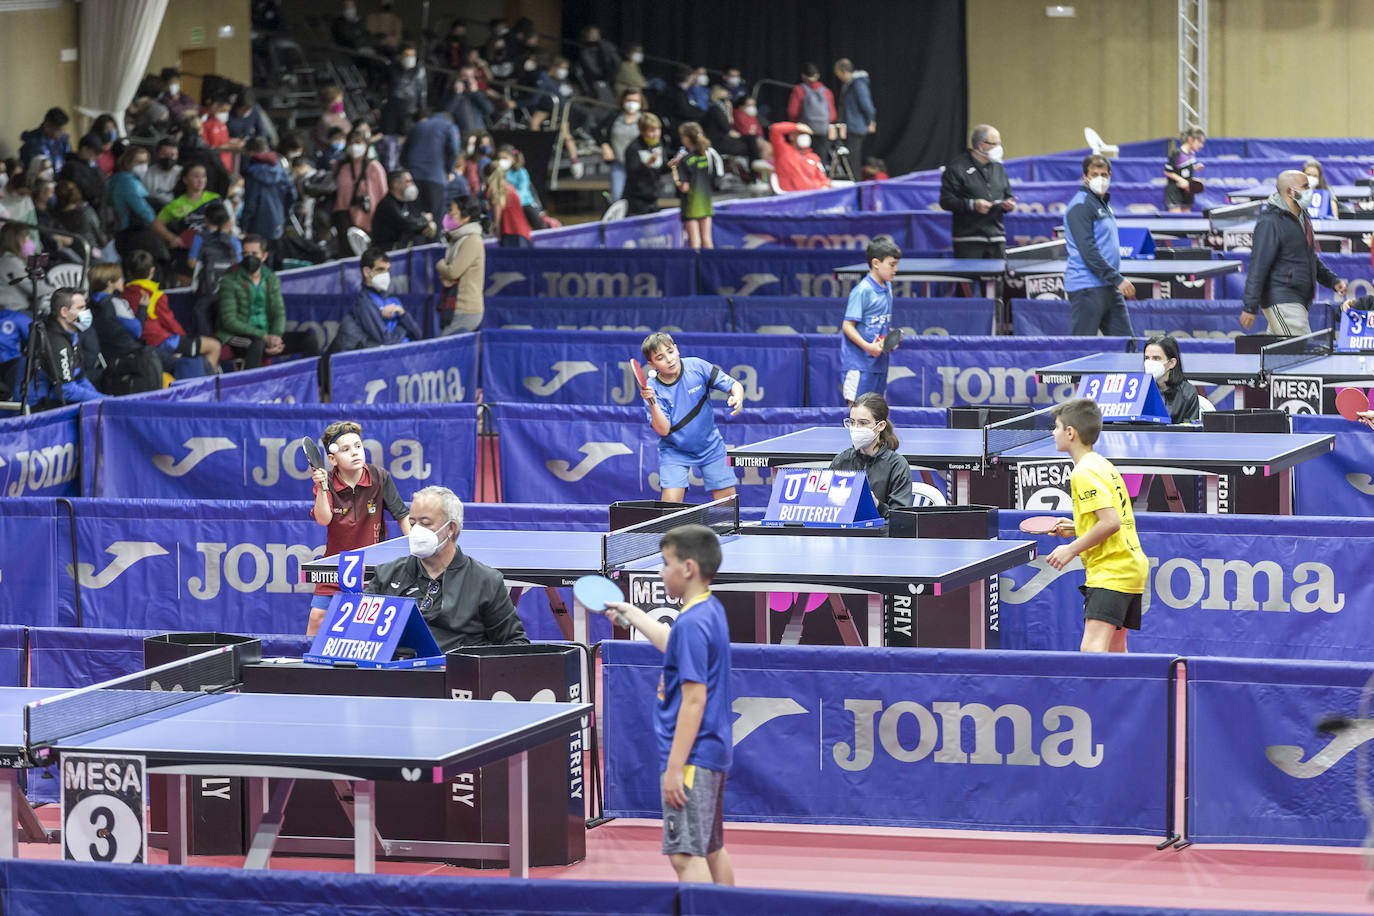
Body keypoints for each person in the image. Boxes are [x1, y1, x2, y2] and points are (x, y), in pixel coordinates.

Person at [596, 525, 734, 886]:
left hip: (691, 757)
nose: (660, 571)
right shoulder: (709, 608)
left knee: (685, 856)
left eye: (665, 563)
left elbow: (693, 700)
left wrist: (675, 768)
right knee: (710, 848)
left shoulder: (692, 623)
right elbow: (670, 642)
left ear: (687, 568)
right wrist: (633, 614)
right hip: (711, 751)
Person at [365, 486, 529, 650]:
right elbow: (357, 634)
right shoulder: (386, 575)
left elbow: (515, 645)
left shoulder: (486, 581)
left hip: (457, 672)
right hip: (398, 673)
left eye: (425, 523)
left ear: (451, 528)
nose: (416, 531)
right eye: (413, 523)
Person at [1044, 398, 1149, 653]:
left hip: (1111, 570)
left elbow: (1111, 523)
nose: (1053, 432)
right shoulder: (1102, 464)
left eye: (1057, 427)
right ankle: (1131, 694)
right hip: (1131, 567)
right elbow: (1115, 518)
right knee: (1115, 652)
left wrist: (1071, 549)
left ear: (1071, 433)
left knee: (1092, 654)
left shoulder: (1083, 473)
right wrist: (1076, 526)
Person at [304, 420, 412, 634]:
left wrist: (415, 547)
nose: (355, 453)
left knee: (370, 624)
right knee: (317, 618)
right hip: (338, 565)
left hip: (372, 566)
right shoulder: (328, 484)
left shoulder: (379, 477)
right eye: (345, 449)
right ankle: (306, 664)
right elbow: (323, 519)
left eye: (358, 446)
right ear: (332, 459)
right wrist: (321, 487)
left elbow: (402, 515)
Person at [637, 331, 744, 503]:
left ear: (677, 349)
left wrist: (737, 397)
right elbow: (663, 430)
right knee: (669, 510)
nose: (669, 359)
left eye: (670, 352)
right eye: (660, 357)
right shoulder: (651, 389)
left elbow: (734, 385)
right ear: (652, 364)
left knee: (727, 511)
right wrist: (652, 402)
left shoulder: (696, 366)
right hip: (675, 451)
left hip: (710, 447)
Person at [1240, 169, 1346, 336]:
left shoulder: (1303, 215)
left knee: (1278, 356)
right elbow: (1258, 265)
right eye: (1305, 187)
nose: (1310, 191)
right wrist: (1250, 306)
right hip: (1282, 297)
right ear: (1290, 192)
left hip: (1299, 297)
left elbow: (1308, 257)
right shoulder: (1270, 222)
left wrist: (1331, 280)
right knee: (1301, 350)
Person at [216, 234, 321, 369]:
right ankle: (251, 388)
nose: (250, 258)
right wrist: (264, 337)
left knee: (309, 340)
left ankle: (314, 386)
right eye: (246, 254)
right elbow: (229, 321)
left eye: (254, 253)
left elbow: (279, 312)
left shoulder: (271, 279)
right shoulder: (229, 279)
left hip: (266, 336)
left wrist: (276, 337)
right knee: (257, 343)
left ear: (264, 256)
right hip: (235, 336)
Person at [1064, 155, 1135, 336]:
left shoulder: (1102, 204)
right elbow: (1088, 251)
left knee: (1127, 346)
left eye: (1103, 174)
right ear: (1085, 177)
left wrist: (1113, 280)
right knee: (1082, 350)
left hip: (1108, 286)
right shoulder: (1080, 206)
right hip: (1087, 288)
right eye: (1094, 174)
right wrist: (1117, 278)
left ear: (1110, 175)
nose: (1099, 179)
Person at [125, 249, 221, 377]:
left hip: (140, 343)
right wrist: (185, 338)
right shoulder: (155, 295)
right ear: (152, 270)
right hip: (161, 341)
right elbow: (169, 322)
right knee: (214, 346)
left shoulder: (124, 293)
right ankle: (207, 386)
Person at [829, 393, 912, 518]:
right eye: (852, 422)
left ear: (881, 426)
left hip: (881, 535)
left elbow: (901, 520)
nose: (855, 428)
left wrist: (877, 505)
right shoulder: (841, 461)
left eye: (863, 423)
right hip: (845, 535)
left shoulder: (897, 466)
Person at [939, 124, 1015, 260]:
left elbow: (1007, 195)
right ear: (981, 146)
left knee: (997, 280)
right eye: (995, 144)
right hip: (968, 238)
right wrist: (973, 204)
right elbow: (946, 201)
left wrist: (1008, 205)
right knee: (968, 280)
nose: (999, 148)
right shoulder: (957, 167)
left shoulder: (999, 167)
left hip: (996, 237)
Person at [840, 235, 900, 404]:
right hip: (859, 365)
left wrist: (888, 341)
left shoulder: (887, 287)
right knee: (857, 413)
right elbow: (847, 326)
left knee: (876, 415)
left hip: (879, 364)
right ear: (876, 263)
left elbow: (879, 323)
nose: (895, 270)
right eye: (892, 265)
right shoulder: (862, 291)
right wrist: (868, 347)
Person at [86, 262, 162, 395]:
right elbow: (137, 331)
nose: (123, 280)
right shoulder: (117, 303)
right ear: (110, 282)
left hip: (106, 358)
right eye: (120, 278)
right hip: (129, 356)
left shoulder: (88, 304)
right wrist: (143, 309)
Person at [332, 247, 422, 351]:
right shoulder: (363, 303)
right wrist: (405, 328)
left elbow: (418, 334)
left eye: (387, 270)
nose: (385, 274)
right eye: (380, 270)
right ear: (366, 272)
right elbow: (385, 342)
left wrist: (402, 313)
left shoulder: (394, 300)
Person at [110, 145, 178, 266]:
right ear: (128, 162)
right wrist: (164, 231)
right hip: (132, 233)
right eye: (139, 162)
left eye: (146, 162)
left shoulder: (120, 179)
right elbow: (144, 211)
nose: (143, 166)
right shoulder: (128, 183)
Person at [436, 195, 485, 335]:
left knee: (443, 351)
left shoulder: (472, 240)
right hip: (455, 307)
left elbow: (453, 272)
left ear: (466, 217)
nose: (449, 215)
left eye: (452, 211)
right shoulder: (457, 239)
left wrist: (439, 264)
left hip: (466, 310)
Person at [401, 110, 460, 221]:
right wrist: (449, 170)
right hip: (435, 178)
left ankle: (417, 238)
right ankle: (434, 238)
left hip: (413, 177)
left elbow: (404, 152)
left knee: (415, 216)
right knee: (435, 217)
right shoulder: (449, 126)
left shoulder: (418, 126)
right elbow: (454, 150)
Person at [241, 138, 298, 247]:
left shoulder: (252, 173)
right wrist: (284, 213)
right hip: (278, 220)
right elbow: (292, 194)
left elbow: (250, 203)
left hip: (256, 224)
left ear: (251, 152)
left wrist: (244, 225)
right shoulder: (280, 170)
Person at [671, 123, 720, 250]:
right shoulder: (708, 155)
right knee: (707, 240)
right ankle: (710, 268)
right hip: (706, 202)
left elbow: (684, 188)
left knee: (695, 242)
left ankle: (696, 270)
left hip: (691, 205)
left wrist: (674, 171)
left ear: (686, 139)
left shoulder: (685, 160)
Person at [333, 129, 388, 235]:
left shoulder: (374, 167)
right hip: (346, 217)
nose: (354, 147)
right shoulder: (341, 167)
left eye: (358, 143)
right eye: (351, 143)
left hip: (371, 217)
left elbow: (383, 194)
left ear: (366, 145)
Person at [598, 88, 646, 203]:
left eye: (635, 101)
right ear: (623, 101)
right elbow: (598, 130)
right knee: (617, 196)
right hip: (619, 163)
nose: (632, 104)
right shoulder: (615, 116)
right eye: (629, 100)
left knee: (638, 198)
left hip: (639, 166)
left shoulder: (645, 119)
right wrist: (605, 145)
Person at [370, 168, 437, 250]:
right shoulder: (387, 205)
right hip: (386, 252)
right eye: (408, 181)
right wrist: (425, 220)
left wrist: (429, 225)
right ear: (396, 184)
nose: (412, 185)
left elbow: (414, 222)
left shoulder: (404, 203)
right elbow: (408, 225)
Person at [1142, 334, 1201, 424]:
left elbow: (1189, 431)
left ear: (1171, 363)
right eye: (1147, 358)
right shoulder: (1138, 389)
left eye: (1156, 358)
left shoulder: (1188, 393)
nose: (1150, 363)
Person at [786, 63, 836, 165]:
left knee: (804, 156)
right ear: (817, 75)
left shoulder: (799, 89)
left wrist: (795, 125)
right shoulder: (826, 91)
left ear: (803, 75)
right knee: (821, 157)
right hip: (823, 129)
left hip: (805, 129)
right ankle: (820, 177)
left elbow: (793, 112)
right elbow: (832, 115)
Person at [0, 222, 55, 314]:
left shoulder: (14, 259)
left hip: (20, 309)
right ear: (15, 241)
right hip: (12, 312)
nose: (30, 242)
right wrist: (60, 292)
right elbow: (35, 288)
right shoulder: (10, 262)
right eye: (27, 238)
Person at [834, 59, 875, 175]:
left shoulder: (858, 84)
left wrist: (870, 120)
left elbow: (866, 105)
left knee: (853, 160)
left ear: (843, 71)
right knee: (850, 158)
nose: (837, 76)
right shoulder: (850, 84)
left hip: (856, 127)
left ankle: (857, 186)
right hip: (850, 126)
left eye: (837, 73)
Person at [624, 113, 670, 216]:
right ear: (642, 131)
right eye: (652, 131)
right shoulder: (633, 148)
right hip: (637, 198)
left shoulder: (659, 144)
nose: (656, 134)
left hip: (653, 195)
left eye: (658, 129)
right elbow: (632, 173)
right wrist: (647, 164)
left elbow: (660, 169)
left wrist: (671, 165)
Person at [380, 42, 427, 135]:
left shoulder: (419, 70)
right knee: (388, 137)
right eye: (407, 55)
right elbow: (381, 87)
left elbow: (422, 92)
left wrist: (422, 113)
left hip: (410, 110)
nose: (410, 58)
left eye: (413, 55)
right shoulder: (391, 69)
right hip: (391, 108)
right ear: (400, 56)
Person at [768, 121, 829, 192]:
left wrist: (825, 186)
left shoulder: (813, 157)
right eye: (800, 134)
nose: (804, 137)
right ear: (791, 136)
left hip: (815, 195)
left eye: (805, 134)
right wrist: (796, 127)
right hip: (793, 196)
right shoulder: (783, 151)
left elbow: (823, 178)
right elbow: (775, 129)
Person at [484, 160, 532, 248]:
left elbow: (496, 214)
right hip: (522, 232)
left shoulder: (492, 189)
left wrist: (496, 230)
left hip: (509, 233)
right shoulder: (509, 187)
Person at [1163, 128, 1206, 213]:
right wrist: (1181, 180)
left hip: (1187, 190)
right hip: (1175, 191)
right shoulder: (1177, 153)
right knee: (1175, 222)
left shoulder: (1192, 153)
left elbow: (1183, 168)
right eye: (1199, 142)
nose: (1201, 145)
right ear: (1190, 139)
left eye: (1202, 143)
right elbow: (1167, 171)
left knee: (1188, 222)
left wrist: (1195, 168)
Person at [57, 134, 106, 207]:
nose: (96, 156)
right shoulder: (71, 167)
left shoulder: (91, 165)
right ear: (84, 149)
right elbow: (86, 190)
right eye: (94, 152)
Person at [19, 108, 71, 174]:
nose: (62, 133)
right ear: (47, 126)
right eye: (59, 130)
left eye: (64, 129)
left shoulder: (63, 140)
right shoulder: (33, 143)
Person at [142, 139, 182, 211]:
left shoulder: (182, 173)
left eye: (172, 155)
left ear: (177, 155)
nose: (168, 158)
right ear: (157, 154)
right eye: (164, 154)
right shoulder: (148, 173)